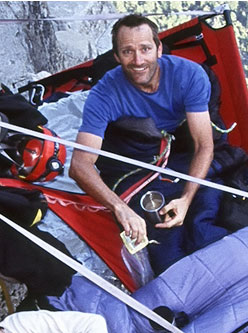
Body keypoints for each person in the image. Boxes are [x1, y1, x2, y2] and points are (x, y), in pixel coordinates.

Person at [69, 13, 215, 253]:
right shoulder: (104, 94)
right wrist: (120, 207)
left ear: (159, 49)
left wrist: (186, 199)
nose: (138, 60)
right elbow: (80, 165)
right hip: (141, 137)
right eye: (127, 51)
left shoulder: (190, 76)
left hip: (180, 129)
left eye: (145, 49)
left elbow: (204, 146)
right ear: (117, 56)